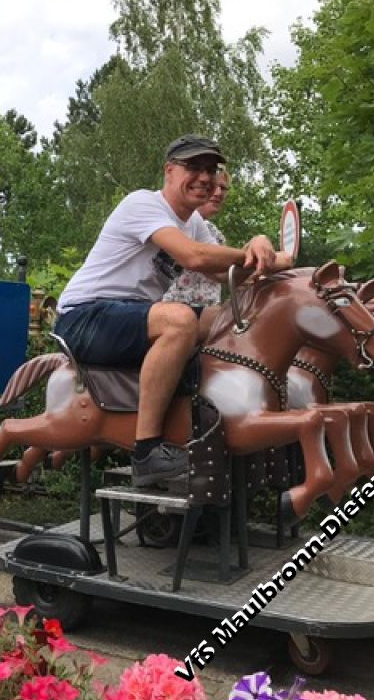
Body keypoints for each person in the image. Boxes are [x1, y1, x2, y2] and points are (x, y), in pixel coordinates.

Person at [54, 135, 291, 487]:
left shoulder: (193, 222)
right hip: (84, 315)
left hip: (133, 315)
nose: (205, 177)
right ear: (169, 171)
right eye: (193, 167)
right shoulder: (142, 203)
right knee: (179, 319)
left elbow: (224, 274)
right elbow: (194, 257)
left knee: (228, 317)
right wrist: (254, 254)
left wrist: (261, 247)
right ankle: (147, 451)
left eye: (210, 169)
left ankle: (211, 417)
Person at [161, 166, 230, 307]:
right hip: (172, 310)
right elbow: (198, 257)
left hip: (207, 311)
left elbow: (225, 272)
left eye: (223, 188)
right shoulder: (169, 223)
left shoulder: (216, 235)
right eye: (214, 186)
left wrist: (259, 266)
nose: (218, 193)